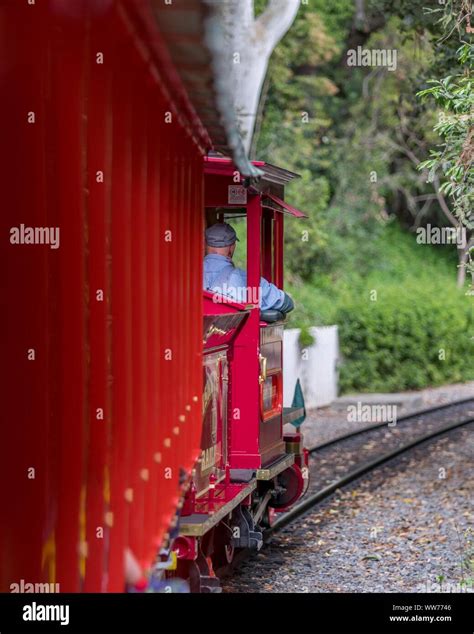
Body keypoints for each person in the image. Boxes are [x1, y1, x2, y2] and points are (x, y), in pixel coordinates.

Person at [203, 222, 294, 313]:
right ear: (232, 247)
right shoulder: (246, 280)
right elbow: (285, 303)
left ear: (205, 245)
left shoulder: (190, 277)